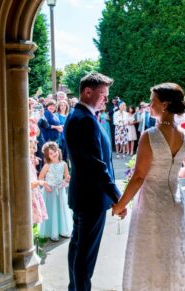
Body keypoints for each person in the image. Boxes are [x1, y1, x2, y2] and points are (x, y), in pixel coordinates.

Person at [113, 82, 185, 290]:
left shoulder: (150, 135)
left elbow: (139, 176)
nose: (148, 106)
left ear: (165, 105)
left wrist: (120, 205)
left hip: (151, 203)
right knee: (171, 252)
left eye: (152, 101)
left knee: (150, 253)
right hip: (175, 202)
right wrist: (171, 175)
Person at [64, 73, 127, 291]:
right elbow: (96, 165)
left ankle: (75, 288)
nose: (106, 100)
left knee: (78, 247)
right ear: (87, 92)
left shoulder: (81, 115)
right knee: (85, 255)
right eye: (103, 94)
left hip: (84, 195)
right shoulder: (84, 120)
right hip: (91, 197)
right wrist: (118, 196)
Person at [39, 141, 72, 241]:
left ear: (58, 150)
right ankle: (52, 232)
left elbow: (67, 177)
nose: (54, 154)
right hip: (50, 191)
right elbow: (40, 178)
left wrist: (65, 181)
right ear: (47, 156)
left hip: (60, 191)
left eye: (55, 151)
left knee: (61, 210)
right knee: (51, 211)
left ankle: (63, 230)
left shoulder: (64, 164)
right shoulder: (47, 165)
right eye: (51, 154)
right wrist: (45, 185)